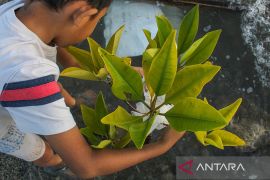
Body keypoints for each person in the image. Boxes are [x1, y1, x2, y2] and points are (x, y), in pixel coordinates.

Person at [0, 0, 185, 179]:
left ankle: (69, 106)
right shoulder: (28, 76)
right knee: (40, 150)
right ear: (83, 14)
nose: (95, 25)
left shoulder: (24, 10)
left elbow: (68, 57)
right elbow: (87, 166)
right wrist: (163, 144)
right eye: (98, 20)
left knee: (48, 92)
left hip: (12, 85)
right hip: (3, 123)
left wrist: (120, 72)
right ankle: (55, 165)